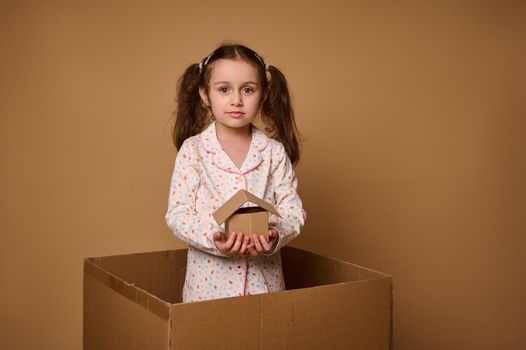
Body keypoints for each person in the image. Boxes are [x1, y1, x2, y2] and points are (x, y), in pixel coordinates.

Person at [165, 43, 306, 303]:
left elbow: (293, 211)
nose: (236, 100)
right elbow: (178, 214)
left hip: (264, 288)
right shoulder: (193, 151)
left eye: (248, 90)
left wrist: (276, 235)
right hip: (208, 290)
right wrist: (215, 239)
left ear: (263, 96)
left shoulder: (273, 152)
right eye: (224, 89)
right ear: (205, 95)